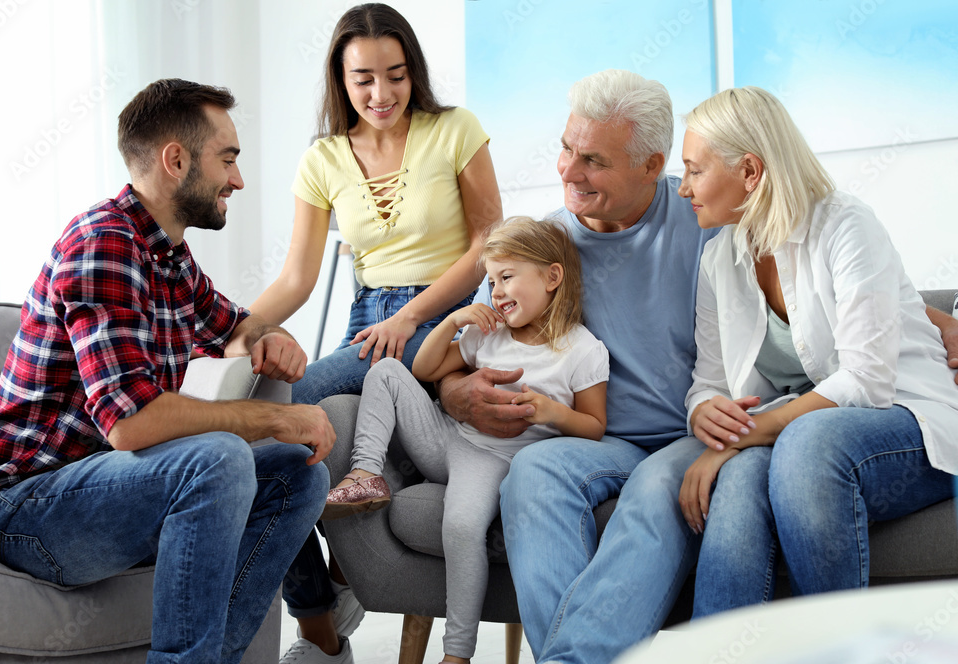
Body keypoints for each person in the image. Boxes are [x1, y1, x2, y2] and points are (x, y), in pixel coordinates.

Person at [435, 70, 958, 664]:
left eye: (593, 161)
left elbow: (854, 330)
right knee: (532, 474)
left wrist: (940, 319)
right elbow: (476, 335)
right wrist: (454, 391)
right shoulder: (554, 244)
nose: (567, 172)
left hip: (701, 437)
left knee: (666, 491)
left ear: (652, 164)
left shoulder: (714, 219)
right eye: (565, 149)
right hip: (600, 433)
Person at [0, 79, 335, 663]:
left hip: (106, 487)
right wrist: (272, 418)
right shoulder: (102, 244)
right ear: (176, 159)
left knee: (298, 477)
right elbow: (129, 425)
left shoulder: (168, 255)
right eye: (228, 159)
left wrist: (272, 337)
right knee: (220, 457)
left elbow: (234, 323)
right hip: (20, 508)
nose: (237, 180)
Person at [254, 6, 502, 662]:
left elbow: (487, 243)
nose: (382, 94)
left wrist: (415, 314)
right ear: (340, 78)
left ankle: (326, 616)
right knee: (262, 428)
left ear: (413, 72)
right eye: (364, 79)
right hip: (367, 320)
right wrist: (230, 334)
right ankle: (320, 617)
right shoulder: (323, 159)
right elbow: (297, 278)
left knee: (297, 416)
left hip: (442, 317)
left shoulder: (455, 130)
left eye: (395, 75)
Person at [676, 86, 958, 616]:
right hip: (806, 434)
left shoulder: (845, 224)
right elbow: (709, 382)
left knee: (806, 446)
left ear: (750, 172)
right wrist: (705, 415)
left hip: (913, 420)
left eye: (694, 170)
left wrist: (746, 435)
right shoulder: (719, 259)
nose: (683, 187)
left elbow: (867, 379)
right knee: (738, 483)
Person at [324, 216, 608, 664]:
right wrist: (454, 320)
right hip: (447, 440)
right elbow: (424, 371)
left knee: (460, 527)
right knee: (386, 372)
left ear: (552, 277)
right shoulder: (485, 333)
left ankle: (456, 654)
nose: (496, 292)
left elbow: (595, 425)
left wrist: (553, 413)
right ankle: (366, 472)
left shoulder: (582, 349)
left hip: (493, 461)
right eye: (492, 280)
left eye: (507, 277)